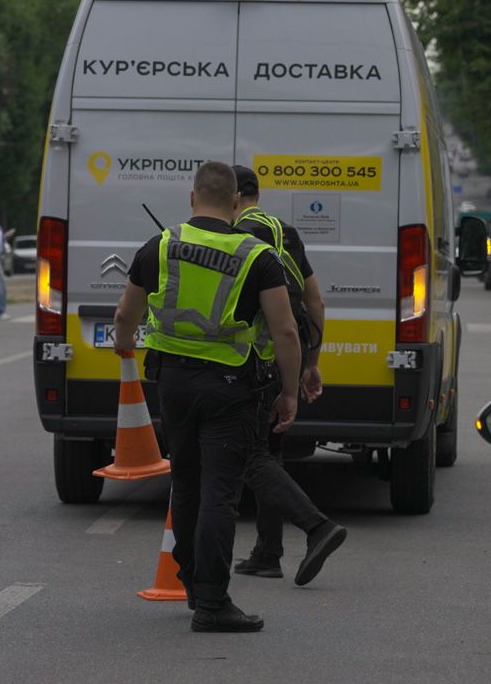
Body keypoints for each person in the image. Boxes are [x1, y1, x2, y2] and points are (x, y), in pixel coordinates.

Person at [113, 161, 301, 633]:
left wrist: (124, 349)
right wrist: (290, 392)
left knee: (188, 485)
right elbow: (285, 331)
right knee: (220, 493)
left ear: (192, 197)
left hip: (172, 385)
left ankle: (195, 585)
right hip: (230, 388)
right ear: (237, 204)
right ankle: (213, 603)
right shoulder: (257, 256)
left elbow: (124, 318)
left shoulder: (159, 246)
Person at [230, 165, 347, 585]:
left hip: (257, 358)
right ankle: (267, 552)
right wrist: (310, 363)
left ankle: (317, 527)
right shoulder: (286, 233)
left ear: (235, 196)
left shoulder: (239, 236)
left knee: (249, 452)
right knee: (268, 450)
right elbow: (315, 301)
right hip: (291, 351)